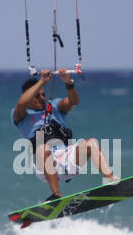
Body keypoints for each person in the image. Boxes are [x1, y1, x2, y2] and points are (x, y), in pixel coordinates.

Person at [12, 68, 117, 199]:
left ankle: (110, 180)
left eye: (43, 95)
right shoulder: (22, 116)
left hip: (67, 158)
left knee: (91, 143)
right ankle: (56, 195)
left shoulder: (54, 106)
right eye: (37, 96)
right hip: (45, 165)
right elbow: (21, 102)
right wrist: (43, 81)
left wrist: (68, 82)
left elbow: (74, 101)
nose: (42, 98)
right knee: (43, 148)